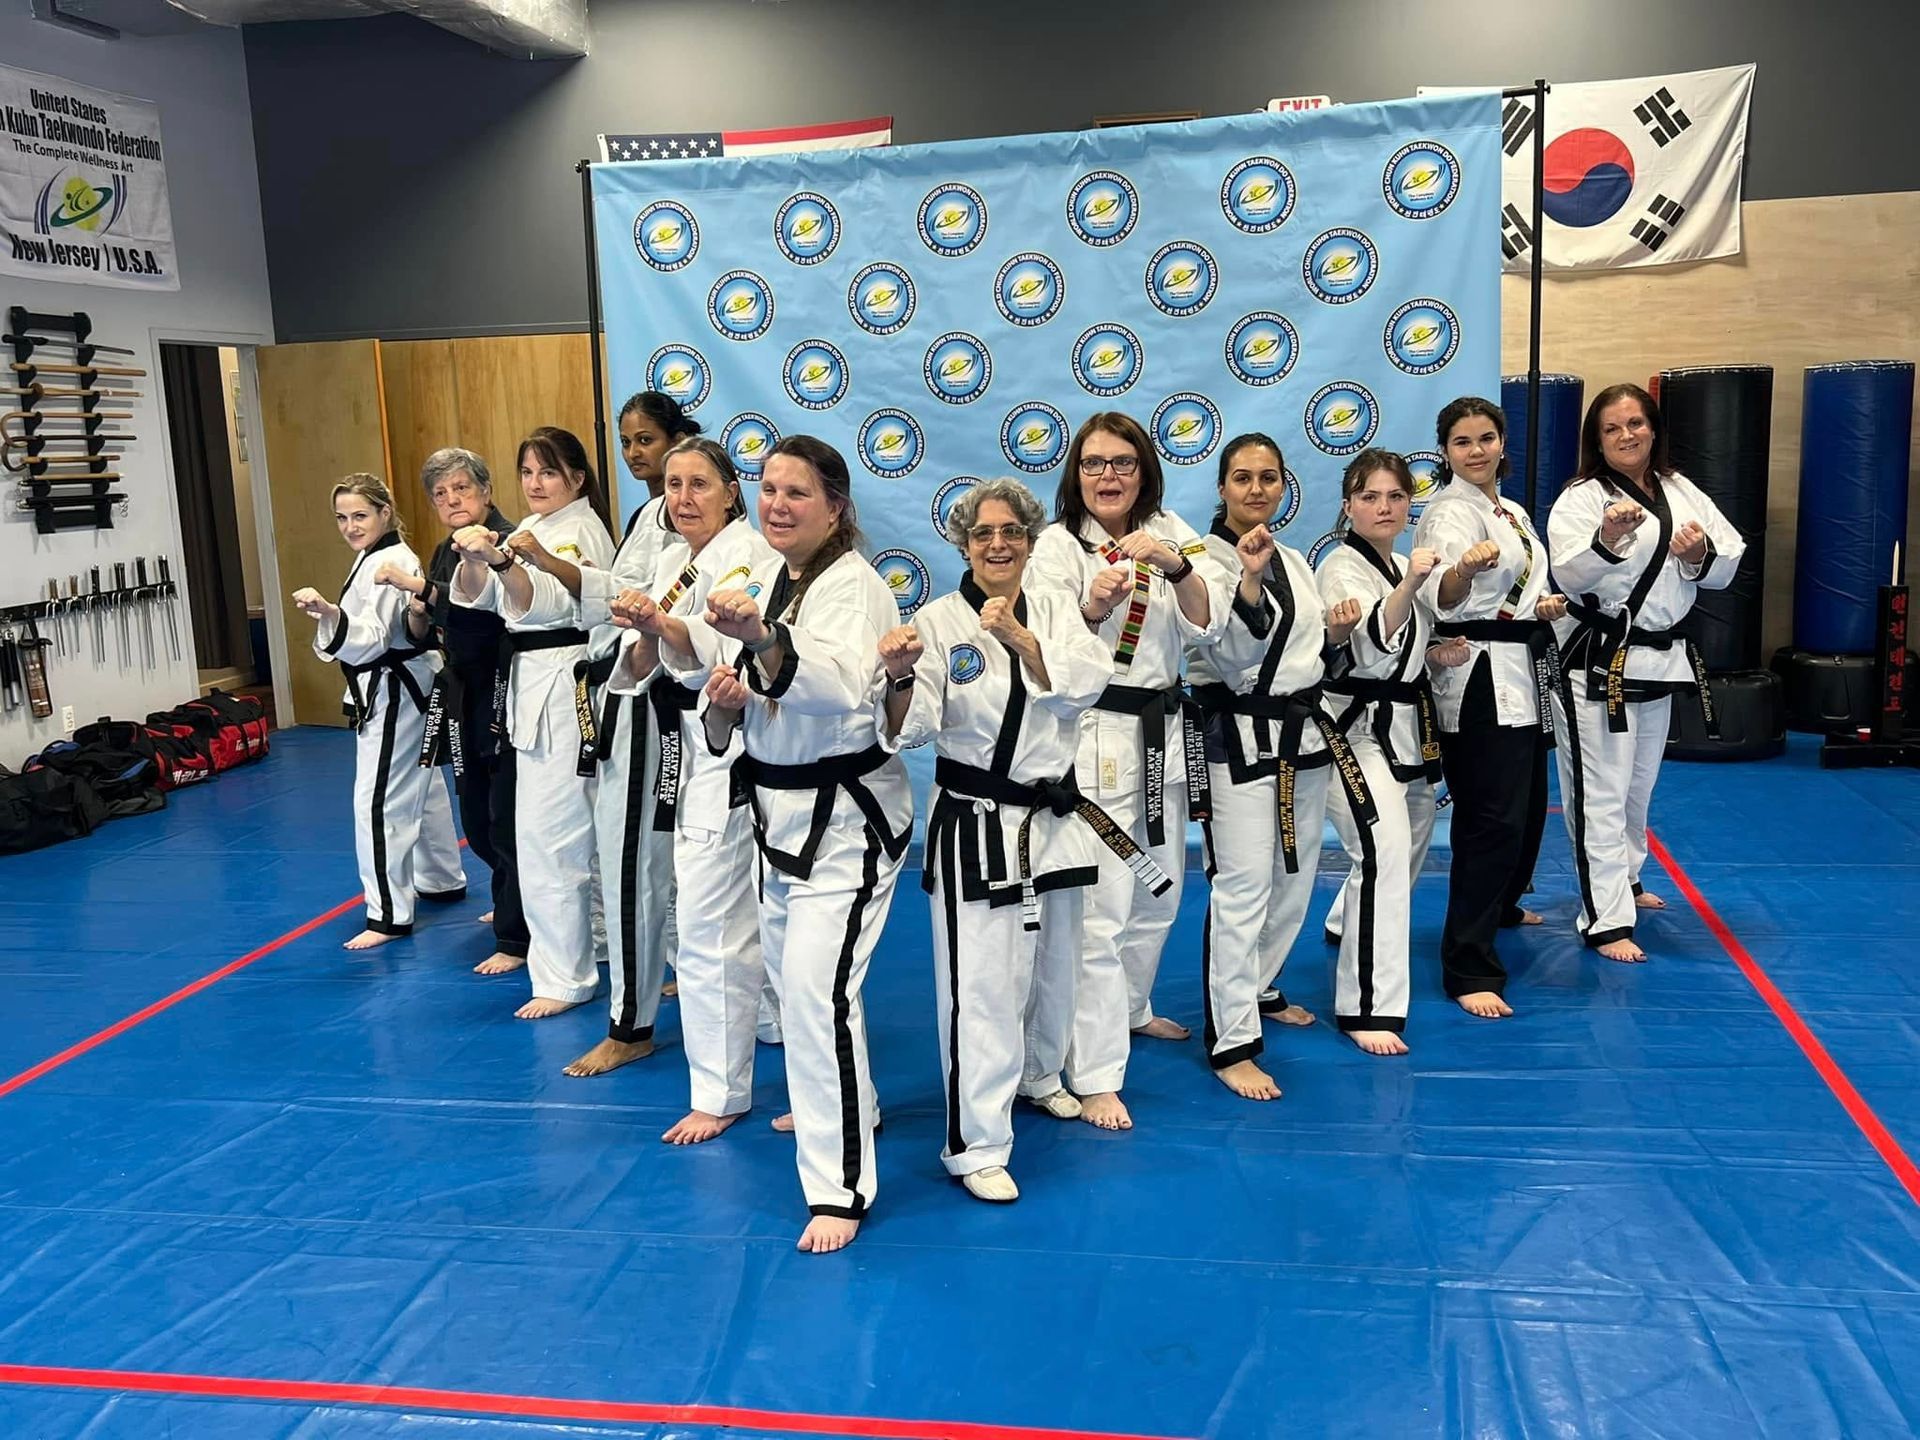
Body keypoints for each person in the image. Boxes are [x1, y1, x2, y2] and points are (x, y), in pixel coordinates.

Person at [880, 477, 1125, 1201]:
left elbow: (1086, 683)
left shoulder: (1053, 605)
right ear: (962, 542)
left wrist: (1021, 638)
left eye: (1010, 533)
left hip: (1053, 813)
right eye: (982, 534)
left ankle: (1041, 1073)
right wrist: (897, 677)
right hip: (978, 821)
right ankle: (976, 1143)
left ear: (1029, 539)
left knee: (1058, 960)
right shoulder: (936, 621)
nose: (996, 545)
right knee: (981, 986)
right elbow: (914, 726)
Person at [697, 435, 911, 1253]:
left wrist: (761, 646)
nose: (777, 503)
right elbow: (739, 702)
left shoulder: (852, 588)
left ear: (836, 507)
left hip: (847, 825)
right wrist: (723, 700)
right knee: (801, 1000)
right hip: (778, 820)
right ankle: (850, 1100)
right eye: (768, 488)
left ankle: (842, 1187)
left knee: (818, 999)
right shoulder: (765, 575)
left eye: (797, 492)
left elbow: (835, 690)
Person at [1026, 412, 1229, 1131]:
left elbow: (1209, 623)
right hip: (1095, 735)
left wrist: (1175, 566)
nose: (1107, 476)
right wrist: (1091, 606)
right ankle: (1096, 1071)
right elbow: (1044, 641)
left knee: (1159, 897)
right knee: (1103, 916)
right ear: (1074, 475)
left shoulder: (1175, 531)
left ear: (1144, 470)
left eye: (1122, 463)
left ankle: (1133, 1009)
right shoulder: (1055, 546)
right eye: (1093, 464)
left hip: (1165, 734)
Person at [603, 438, 778, 1139]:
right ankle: (740, 1071)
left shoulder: (754, 559)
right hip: (693, 747)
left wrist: (661, 626)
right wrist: (648, 629)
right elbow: (641, 663)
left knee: (741, 926)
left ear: (732, 491)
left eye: (698, 483)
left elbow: (724, 649)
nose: (682, 497)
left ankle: (749, 1083)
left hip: (739, 744)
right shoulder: (675, 561)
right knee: (718, 922)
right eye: (672, 484)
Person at [1189, 434, 1361, 1098]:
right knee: (1242, 888)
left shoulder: (1295, 557)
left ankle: (1259, 985)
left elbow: (1313, 656)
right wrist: (1250, 579)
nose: (1256, 489)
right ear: (1222, 488)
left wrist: (1338, 638)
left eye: (1268, 477)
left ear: (1285, 485)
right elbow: (1229, 658)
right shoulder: (1202, 560)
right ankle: (1231, 1041)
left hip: (1302, 736)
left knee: (1295, 876)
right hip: (1237, 737)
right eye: (1242, 477)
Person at [1548, 383, 1744, 962]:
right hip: (1598, 658)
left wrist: (1697, 556)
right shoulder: (1580, 498)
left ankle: (1628, 879)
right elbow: (1569, 575)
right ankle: (1605, 917)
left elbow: (1728, 561)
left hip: (1660, 656)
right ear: (1596, 441)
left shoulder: (1682, 490)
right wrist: (1607, 539)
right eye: (1612, 428)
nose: (1626, 435)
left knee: (1637, 786)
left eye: (1635, 423)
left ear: (1653, 429)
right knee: (1599, 790)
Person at [449, 427, 615, 1018]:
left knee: (552, 837)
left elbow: (545, 600)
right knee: (566, 832)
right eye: (526, 472)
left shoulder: (580, 529)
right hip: (531, 682)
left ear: (576, 478)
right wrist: (475, 560)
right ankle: (592, 946)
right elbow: (473, 601)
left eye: (547, 472)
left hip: (566, 681)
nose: (535, 483)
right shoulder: (531, 530)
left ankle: (566, 976)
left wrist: (500, 560)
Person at [1415, 398, 1568, 1018]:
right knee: (1490, 820)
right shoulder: (1449, 513)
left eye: (1485, 438)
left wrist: (1543, 608)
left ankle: (1501, 905)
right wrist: (1461, 571)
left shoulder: (1512, 511)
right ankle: (1468, 963)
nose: (1475, 450)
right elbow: (1445, 598)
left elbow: (1522, 590)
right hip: (1478, 676)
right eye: (1461, 441)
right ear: (1445, 451)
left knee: (1528, 807)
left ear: (1503, 443)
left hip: (1524, 669)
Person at [1315, 449, 1455, 1055]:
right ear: (1348, 505)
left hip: (1403, 724)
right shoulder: (1340, 566)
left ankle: (1346, 920)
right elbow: (1368, 648)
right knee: (1383, 847)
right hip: (1349, 729)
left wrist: (1435, 656)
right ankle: (1368, 1004)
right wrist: (1413, 584)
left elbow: (1404, 652)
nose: (1383, 507)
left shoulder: (1398, 560)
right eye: (1370, 496)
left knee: (1414, 837)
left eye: (1395, 496)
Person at [291, 474, 466, 950]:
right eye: (342, 518)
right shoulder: (375, 556)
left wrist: (330, 613)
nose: (350, 526)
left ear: (385, 513)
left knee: (379, 800)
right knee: (422, 787)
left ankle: (388, 911)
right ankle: (442, 878)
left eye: (360, 516)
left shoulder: (390, 561)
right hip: (407, 685)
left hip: (395, 690)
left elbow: (371, 639)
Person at [371, 448, 528, 975]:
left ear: (485, 492)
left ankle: (517, 934)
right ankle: (513, 900)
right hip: (461, 688)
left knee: (504, 817)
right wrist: (418, 611)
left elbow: (485, 612)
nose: (452, 500)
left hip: (505, 687)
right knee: (476, 818)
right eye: (440, 494)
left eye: (461, 488)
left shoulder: (507, 540)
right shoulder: (444, 548)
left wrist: (420, 589)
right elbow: (427, 629)